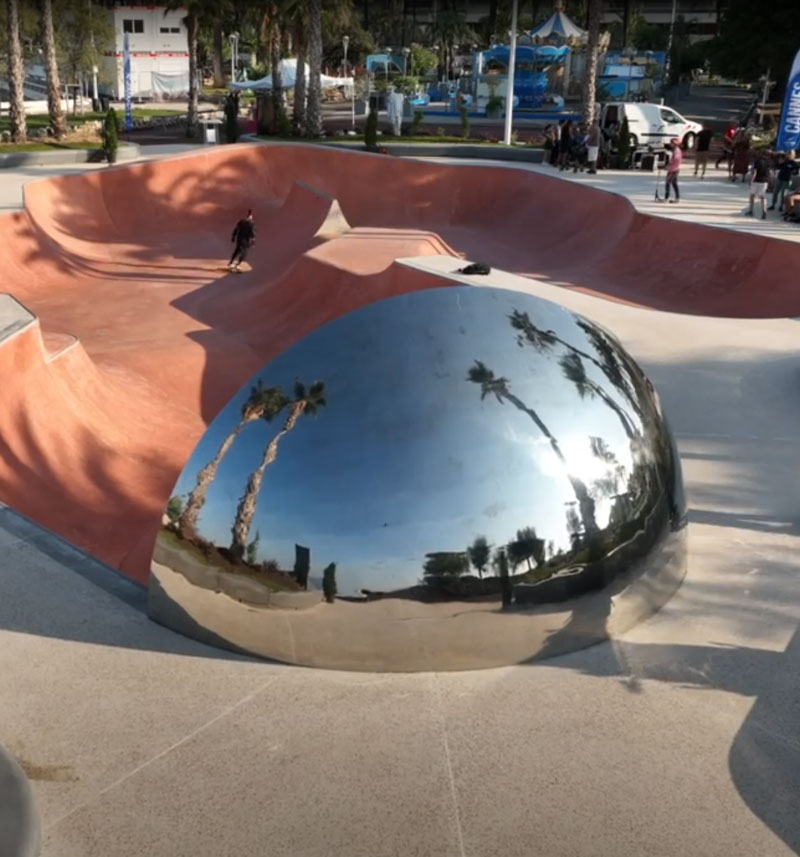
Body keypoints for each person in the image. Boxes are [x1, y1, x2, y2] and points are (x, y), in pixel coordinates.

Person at [658, 138, 682, 204]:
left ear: (675, 144)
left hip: (674, 169)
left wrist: (668, 166)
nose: (670, 144)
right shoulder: (675, 150)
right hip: (673, 169)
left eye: (671, 143)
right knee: (674, 183)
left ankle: (667, 198)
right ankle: (677, 198)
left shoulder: (677, 151)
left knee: (668, 183)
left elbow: (675, 160)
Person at [747, 153, 770, 219]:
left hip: (756, 180)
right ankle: (764, 211)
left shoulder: (757, 161)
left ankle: (751, 211)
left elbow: (755, 172)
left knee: (752, 195)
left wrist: (751, 180)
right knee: (762, 197)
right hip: (764, 181)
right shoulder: (768, 161)